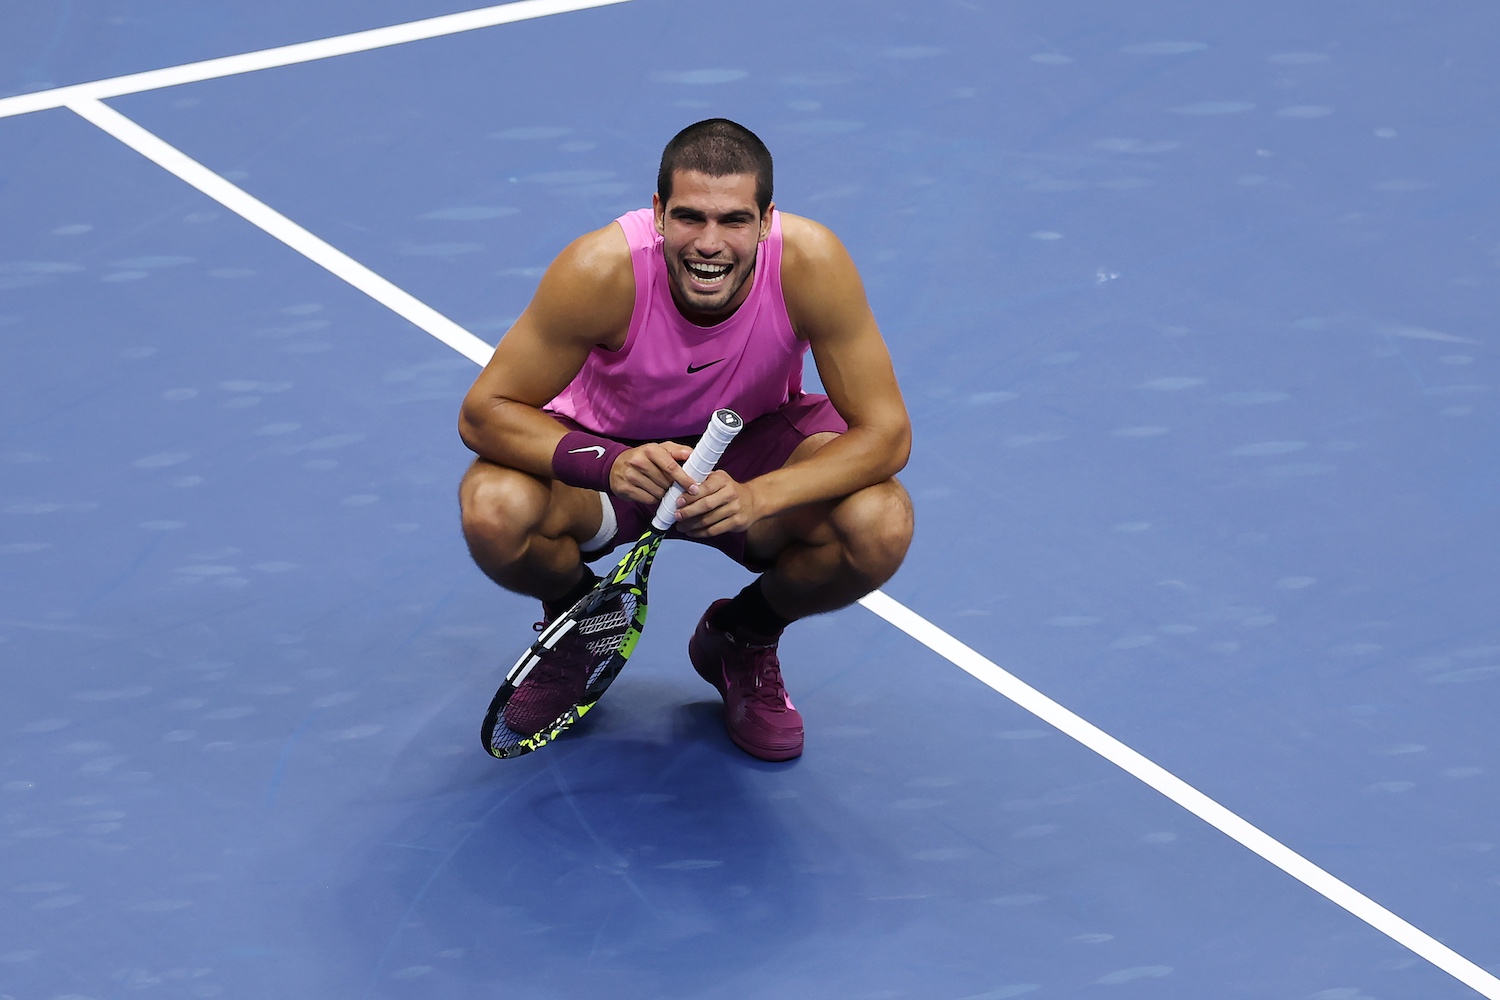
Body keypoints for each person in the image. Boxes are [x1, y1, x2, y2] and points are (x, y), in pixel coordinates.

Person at [458, 119, 912, 761]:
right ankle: (577, 623)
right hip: (610, 458)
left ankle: (743, 637)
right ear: (659, 214)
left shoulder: (812, 265)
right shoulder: (600, 271)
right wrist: (608, 463)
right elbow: (484, 413)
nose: (709, 243)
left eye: (733, 220)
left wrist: (761, 496)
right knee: (494, 509)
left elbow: (887, 434)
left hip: (748, 458)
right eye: (690, 217)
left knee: (880, 523)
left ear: (766, 221)